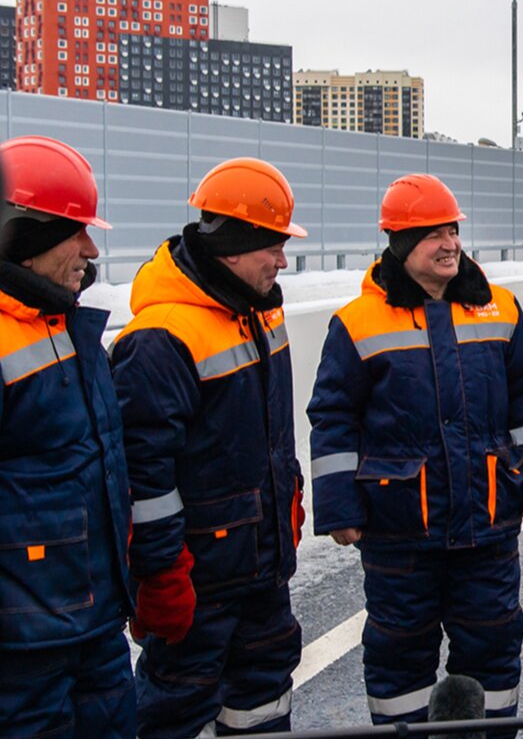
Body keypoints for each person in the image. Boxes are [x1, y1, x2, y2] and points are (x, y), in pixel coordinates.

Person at [307, 173, 523, 736]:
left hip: (488, 523)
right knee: (400, 654)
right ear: (400, 244)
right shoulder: (357, 323)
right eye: (432, 234)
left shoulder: (500, 308)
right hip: (399, 530)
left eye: (452, 230)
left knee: (493, 645)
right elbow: (332, 417)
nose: (449, 243)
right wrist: (339, 508)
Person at [110, 157, 306, 736]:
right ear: (237, 246)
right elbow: (143, 479)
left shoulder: (257, 314)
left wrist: (284, 501)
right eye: (273, 244)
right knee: (175, 710)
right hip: (199, 585)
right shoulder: (161, 339)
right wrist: (161, 574)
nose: (282, 259)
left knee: (264, 702)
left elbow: (268, 435)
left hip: (261, 570)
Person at [0, 136, 136, 738]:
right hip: (23, 644)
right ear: (23, 238)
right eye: (74, 230)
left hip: (95, 621)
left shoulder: (70, 328)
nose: (90, 248)